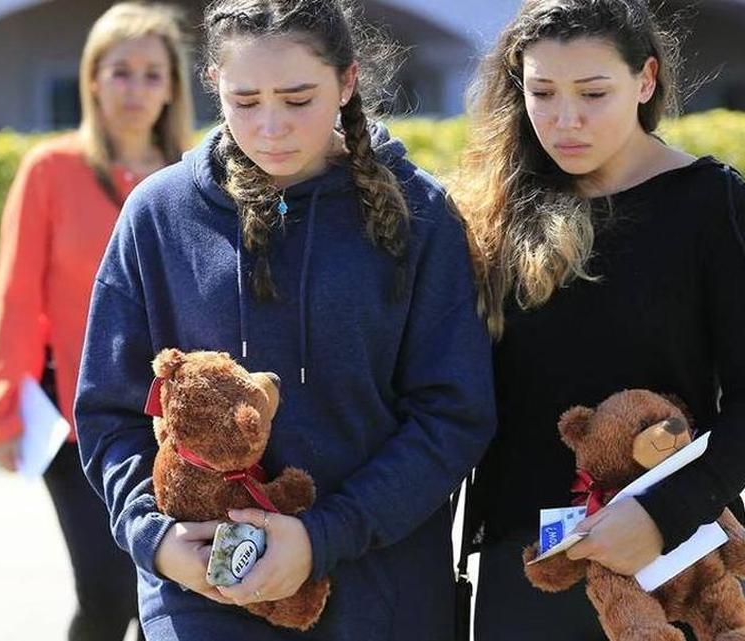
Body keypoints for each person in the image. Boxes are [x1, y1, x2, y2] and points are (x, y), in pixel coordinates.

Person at [72, 1, 497, 639]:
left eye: (298, 100)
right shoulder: (158, 215)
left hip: (384, 594)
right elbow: (110, 410)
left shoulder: (421, 214)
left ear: (347, 82)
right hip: (201, 597)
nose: (271, 127)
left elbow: (453, 415)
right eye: (246, 101)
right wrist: (155, 540)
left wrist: (323, 535)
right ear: (213, 84)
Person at [450, 1, 745, 639]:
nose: (565, 119)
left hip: (676, 562)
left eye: (593, 92)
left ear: (646, 80)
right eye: (542, 92)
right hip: (528, 566)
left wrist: (661, 514)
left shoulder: (714, 204)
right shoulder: (497, 209)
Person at [0, 3, 194, 640]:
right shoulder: (50, 170)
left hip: (173, 419)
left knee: (170, 587)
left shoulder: (192, 177)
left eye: (152, 74)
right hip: (73, 414)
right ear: (91, 79)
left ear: (172, 87)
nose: (135, 89)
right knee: (107, 589)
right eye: (120, 71)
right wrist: (2, 405)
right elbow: (17, 293)